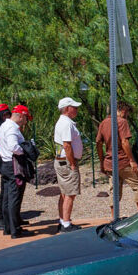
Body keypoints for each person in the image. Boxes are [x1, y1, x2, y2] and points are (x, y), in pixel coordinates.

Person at [95, 100, 138, 211]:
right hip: (123, 161)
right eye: (127, 112)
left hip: (109, 162)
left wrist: (102, 161)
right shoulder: (122, 122)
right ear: (122, 110)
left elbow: (98, 143)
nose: (127, 115)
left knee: (114, 190)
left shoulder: (103, 123)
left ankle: (114, 217)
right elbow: (124, 142)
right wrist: (132, 160)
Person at [0, 103, 33, 238]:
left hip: (5, 164)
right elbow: (13, 146)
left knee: (7, 197)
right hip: (13, 165)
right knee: (14, 197)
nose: (26, 121)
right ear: (21, 115)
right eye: (26, 118)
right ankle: (15, 229)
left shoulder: (3, 126)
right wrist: (25, 151)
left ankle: (8, 227)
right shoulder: (12, 128)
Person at [52, 97, 84, 232]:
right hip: (67, 162)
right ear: (66, 109)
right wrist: (72, 164)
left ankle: (63, 220)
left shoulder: (65, 122)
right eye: (73, 107)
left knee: (64, 193)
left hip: (62, 161)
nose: (76, 109)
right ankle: (66, 224)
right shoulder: (66, 123)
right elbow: (67, 145)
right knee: (70, 193)